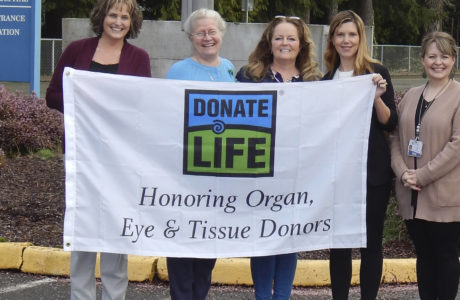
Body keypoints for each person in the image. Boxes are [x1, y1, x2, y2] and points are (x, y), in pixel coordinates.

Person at [45, 0, 150, 299]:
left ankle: (114, 295)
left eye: (125, 17)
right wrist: (87, 102)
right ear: (102, 17)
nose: (118, 21)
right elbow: (53, 95)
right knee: (83, 223)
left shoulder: (139, 57)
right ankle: (81, 295)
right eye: (113, 15)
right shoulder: (77, 50)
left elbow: (144, 102)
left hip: (121, 154)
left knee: (117, 224)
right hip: (81, 153)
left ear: (132, 22)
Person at [235, 15, 321, 300]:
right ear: (269, 43)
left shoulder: (315, 80)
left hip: (299, 170)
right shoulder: (249, 76)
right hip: (258, 169)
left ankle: (282, 296)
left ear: (301, 44)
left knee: (288, 237)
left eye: (291, 38)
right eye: (279, 38)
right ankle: (262, 296)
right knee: (262, 236)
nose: (285, 43)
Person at [390, 31, 460, 300]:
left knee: (445, 256)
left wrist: (423, 175)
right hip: (412, 194)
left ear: (453, 60)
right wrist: (403, 172)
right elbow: (394, 138)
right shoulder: (411, 95)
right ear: (422, 59)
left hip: (446, 195)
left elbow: (458, 146)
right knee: (424, 256)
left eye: (444, 56)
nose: (437, 62)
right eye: (431, 56)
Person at [322, 10, 397, 300]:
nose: (346, 40)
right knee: (339, 244)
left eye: (352, 34)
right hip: (336, 174)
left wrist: (376, 98)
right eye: (340, 34)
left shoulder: (376, 73)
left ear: (360, 38)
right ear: (333, 39)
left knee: (371, 243)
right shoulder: (325, 79)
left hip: (372, 173)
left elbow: (390, 122)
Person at [164, 8, 235, 300]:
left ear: (221, 34)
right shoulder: (178, 72)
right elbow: (166, 117)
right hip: (185, 174)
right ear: (191, 38)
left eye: (212, 31)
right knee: (182, 242)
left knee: (208, 245)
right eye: (200, 33)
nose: (207, 38)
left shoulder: (230, 69)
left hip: (219, 175)